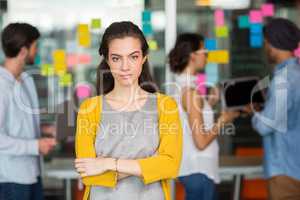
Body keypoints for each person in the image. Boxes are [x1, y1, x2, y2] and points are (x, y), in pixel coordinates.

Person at [75, 21, 183, 200]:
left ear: (144, 58)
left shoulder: (166, 106)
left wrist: (108, 163)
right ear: (108, 61)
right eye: (116, 58)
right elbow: (88, 173)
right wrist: (148, 164)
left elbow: (170, 166)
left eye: (133, 56)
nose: (125, 67)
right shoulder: (89, 109)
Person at [168, 33, 239, 200]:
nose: (207, 56)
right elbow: (200, 142)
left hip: (195, 171)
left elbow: (190, 119)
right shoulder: (190, 92)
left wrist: (209, 103)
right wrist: (223, 120)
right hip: (199, 170)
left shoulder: (182, 87)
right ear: (193, 55)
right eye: (204, 51)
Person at [244, 18, 300, 200]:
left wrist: (255, 112)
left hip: (286, 172)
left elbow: (265, 126)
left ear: (273, 43)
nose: (265, 47)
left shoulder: (283, 80)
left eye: (266, 42)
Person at [0, 23, 56, 200]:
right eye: (35, 47)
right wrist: (35, 145)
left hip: (34, 173)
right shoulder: (1, 86)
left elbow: (22, 124)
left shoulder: (26, 80)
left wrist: (45, 130)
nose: (37, 52)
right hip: (11, 179)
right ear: (24, 50)